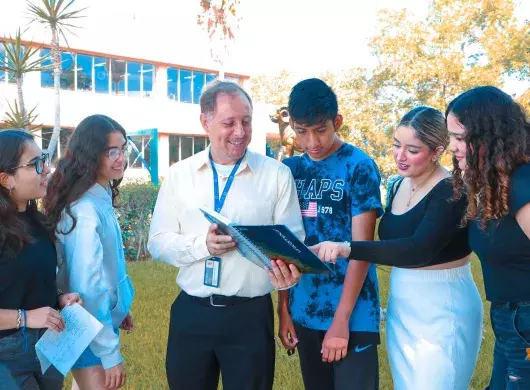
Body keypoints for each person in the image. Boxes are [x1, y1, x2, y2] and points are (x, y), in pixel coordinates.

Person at [312, 106, 483, 390]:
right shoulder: (395, 185)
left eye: (412, 150)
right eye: (396, 145)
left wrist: (347, 248)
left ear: (437, 150)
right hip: (402, 305)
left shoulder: (452, 190)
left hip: (443, 306)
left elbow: (417, 250)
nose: (400, 156)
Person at [148, 80, 303, 390]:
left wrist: (290, 273)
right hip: (192, 314)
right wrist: (201, 246)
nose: (240, 131)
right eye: (229, 122)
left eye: (246, 121)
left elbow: (293, 247)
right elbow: (157, 241)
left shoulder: (276, 175)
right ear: (205, 121)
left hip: (250, 317)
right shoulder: (180, 175)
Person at [278, 78, 384, 390]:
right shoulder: (290, 169)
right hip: (304, 309)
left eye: (320, 129)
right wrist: (284, 311)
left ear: (337, 122)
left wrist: (341, 322)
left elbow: (362, 249)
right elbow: (284, 245)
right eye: (301, 131)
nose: (311, 141)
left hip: (353, 313)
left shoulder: (359, 166)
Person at [446, 86, 530, 389]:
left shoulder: (523, 184)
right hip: (511, 321)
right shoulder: (495, 184)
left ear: (490, 136)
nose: (452, 148)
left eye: (459, 138)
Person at [43, 115, 135, 390]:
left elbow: (108, 268)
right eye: (112, 152)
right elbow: (88, 286)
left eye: (123, 149)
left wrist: (119, 306)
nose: (121, 158)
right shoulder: (85, 210)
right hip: (86, 327)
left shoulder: (99, 196)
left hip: (96, 322)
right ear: (91, 155)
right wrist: (109, 354)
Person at [0, 130, 81, 390]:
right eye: (35, 164)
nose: (46, 169)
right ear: (6, 178)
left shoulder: (38, 222)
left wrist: (58, 297)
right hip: (7, 354)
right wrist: (26, 318)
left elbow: (22, 282)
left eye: (44, 159)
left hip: (49, 347)